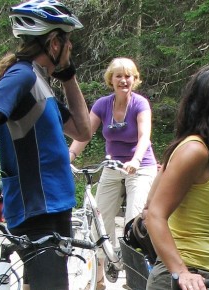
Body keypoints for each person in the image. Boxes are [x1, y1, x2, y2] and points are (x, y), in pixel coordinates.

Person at [0, 1, 92, 289]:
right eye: (67, 40)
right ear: (54, 43)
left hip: (54, 207)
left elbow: (82, 130)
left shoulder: (39, 83)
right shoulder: (23, 76)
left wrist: (69, 76)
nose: (71, 47)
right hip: (36, 210)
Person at [143, 64, 209, 290]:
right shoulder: (194, 151)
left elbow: (149, 205)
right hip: (185, 276)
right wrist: (181, 271)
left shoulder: (195, 148)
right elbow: (154, 214)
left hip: (196, 274)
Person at [67, 57, 157, 288]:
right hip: (113, 166)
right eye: (119, 76)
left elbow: (144, 137)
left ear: (135, 79)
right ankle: (99, 277)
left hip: (140, 166)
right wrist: (69, 156)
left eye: (128, 76)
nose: (123, 80)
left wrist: (136, 160)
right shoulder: (102, 105)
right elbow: (84, 133)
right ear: (111, 79)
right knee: (100, 218)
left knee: (134, 222)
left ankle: (136, 279)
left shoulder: (140, 104)